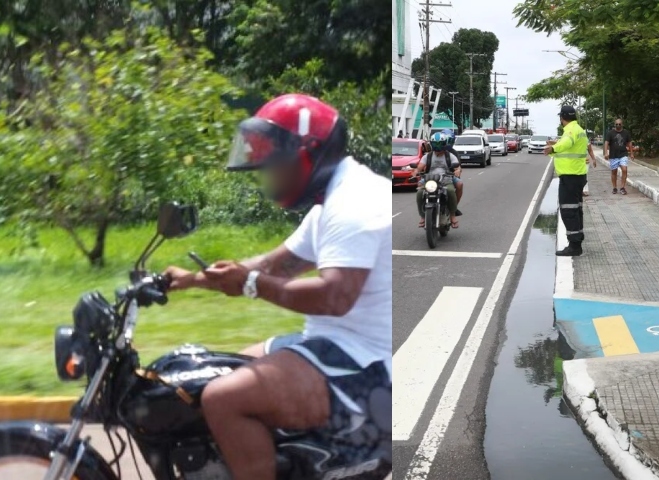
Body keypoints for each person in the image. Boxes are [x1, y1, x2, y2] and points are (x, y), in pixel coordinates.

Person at [163, 94, 392, 480]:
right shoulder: (330, 199)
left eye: (276, 167)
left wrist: (250, 285)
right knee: (211, 374)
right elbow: (276, 265)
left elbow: (334, 296)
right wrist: (191, 281)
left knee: (223, 399)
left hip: (369, 364)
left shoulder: (354, 203)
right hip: (334, 347)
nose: (270, 177)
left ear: (307, 154)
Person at [545, 105, 588, 256]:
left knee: (569, 210)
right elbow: (570, 148)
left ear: (562, 118)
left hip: (570, 177)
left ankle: (574, 246)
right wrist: (555, 146)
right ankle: (577, 241)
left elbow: (567, 143)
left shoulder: (570, 131)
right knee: (576, 210)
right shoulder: (579, 130)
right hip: (577, 176)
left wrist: (554, 148)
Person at [413, 131, 460, 229]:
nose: (438, 147)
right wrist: (416, 171)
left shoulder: (449, 156)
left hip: (446, 180)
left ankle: (452, 215)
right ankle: (422, 216)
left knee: (451, 191)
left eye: (440, 144)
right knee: (419, 193)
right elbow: (420, 166)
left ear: (445, 144)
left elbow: (457, 166)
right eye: (436, 144)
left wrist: (457, 171)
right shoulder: (428, 156)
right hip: (429, 180)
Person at [603, 118, 634, 195]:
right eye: (616, 124)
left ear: (622, 124)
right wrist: (606, 152)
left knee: (624, 169)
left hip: (623, 154)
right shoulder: (610, 133)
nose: (618, 125)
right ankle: (614, 187)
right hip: (613, 155)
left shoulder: (626, 133)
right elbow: (606, 142)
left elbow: (629, 143)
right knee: (614, 171)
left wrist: (631, 153)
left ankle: (622, 187)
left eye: (619, 124)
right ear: (615, 125)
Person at [441, 128, 464, 216]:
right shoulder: (432, 153)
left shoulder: (453, 153)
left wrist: (457, 170)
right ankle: (423, 214)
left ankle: (453, 207)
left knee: (459, 184)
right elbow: (424, 164)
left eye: (449, 140)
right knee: (421, 189)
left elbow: (458, 166)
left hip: (449, 176)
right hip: (434, 176)